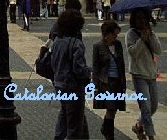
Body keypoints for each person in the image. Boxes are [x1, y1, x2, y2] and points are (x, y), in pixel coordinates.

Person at [51, 9, 91, 139]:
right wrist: (89, 71)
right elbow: (78, 69)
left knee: (64, 115)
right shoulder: (76, 44)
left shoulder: (57, 41)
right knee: (74, 123)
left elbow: (53, 63)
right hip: (73, 87)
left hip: (59, 84)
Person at [126, 8, 161, 140]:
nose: (141, 21)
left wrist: (150, 36)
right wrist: (141, 39)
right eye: (138, 18)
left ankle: (139, 124)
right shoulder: (131, 34)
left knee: (154, 106)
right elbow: (133, 52)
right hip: (138, 74)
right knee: (145, 107)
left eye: (143, 18)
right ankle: (150, 135)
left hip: (151, 73)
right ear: (134, 20)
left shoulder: (151, 33)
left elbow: (158, 50)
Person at [93, 20, 126, 140]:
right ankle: (109, 135)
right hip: (106, 82)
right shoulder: (97, 46)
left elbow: (121, 64)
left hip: (117, 80)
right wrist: (95, 85)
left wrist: (124, 82)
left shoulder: (118, 45)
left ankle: (105, 128)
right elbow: (96, 67)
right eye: (114, 34)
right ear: (106, 34)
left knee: (114, 109)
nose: (116, 36)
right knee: (111, 108)